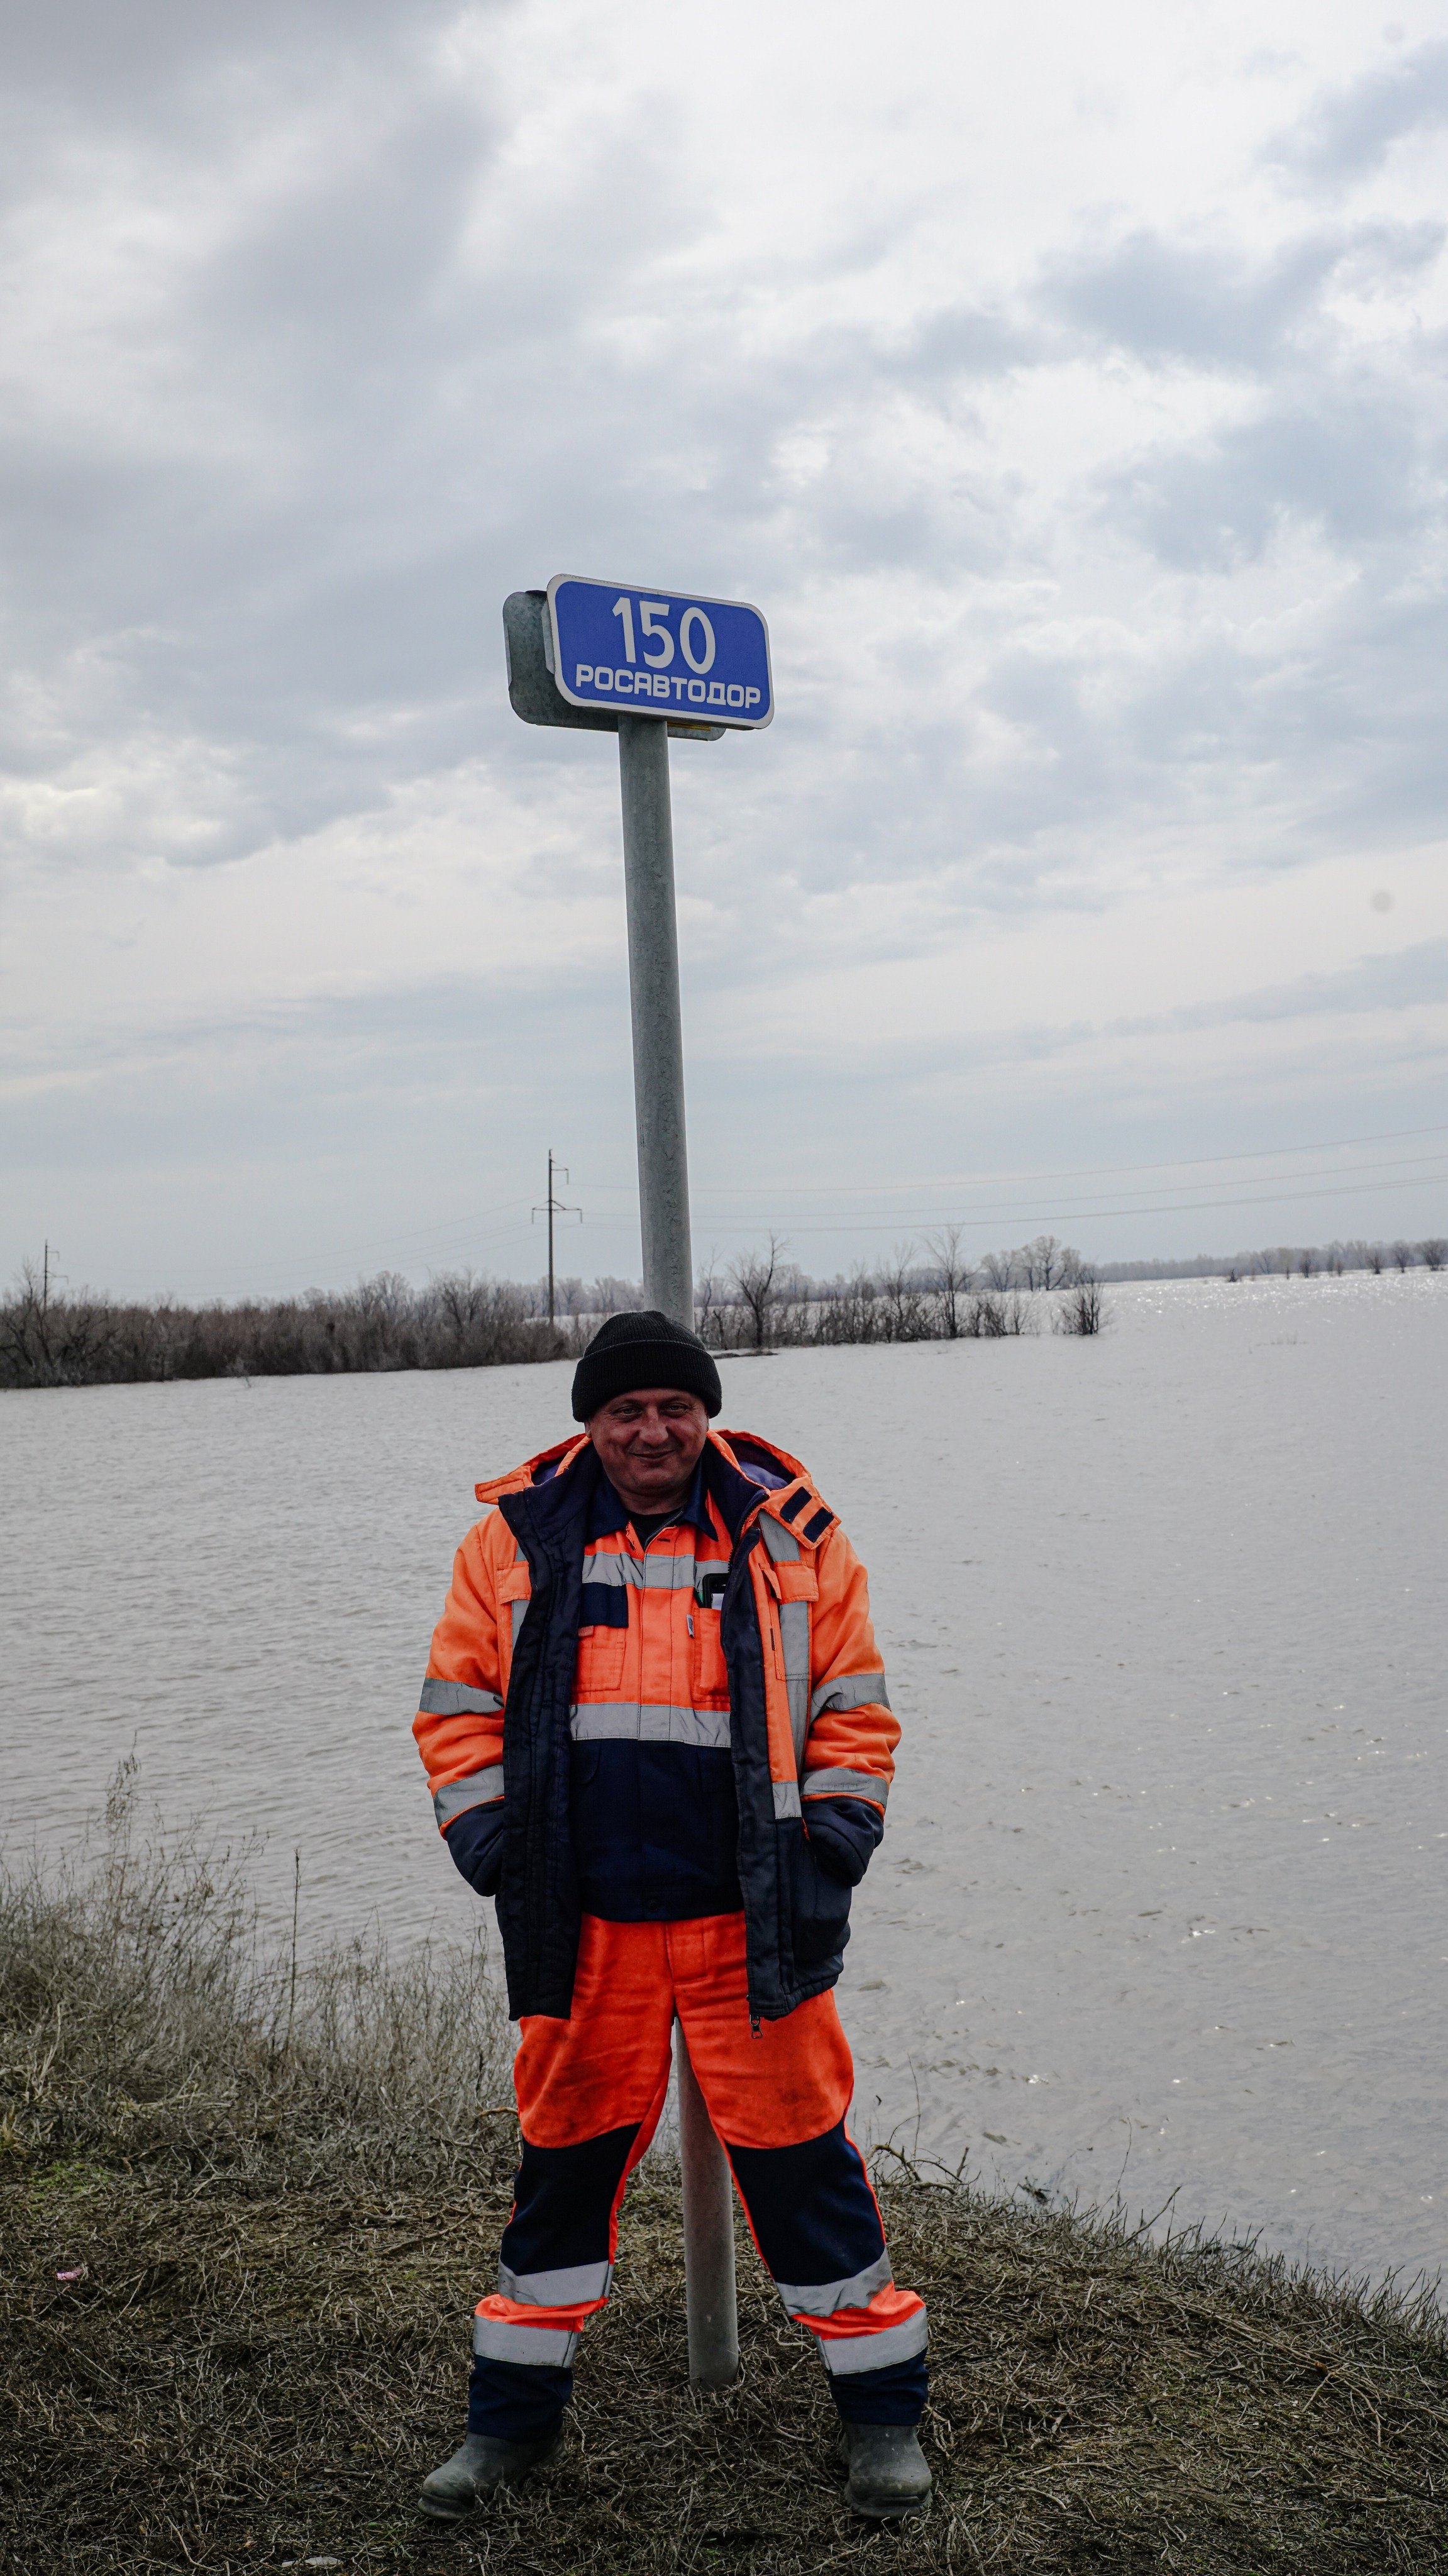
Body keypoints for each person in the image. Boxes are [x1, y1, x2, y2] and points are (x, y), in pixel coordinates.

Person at [411, 1308, 930, 2523]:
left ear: (707, 1415)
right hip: (584, 1930)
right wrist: (490, 1843)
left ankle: (886, 2426)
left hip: (751, 1924)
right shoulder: (513, 1539)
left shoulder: (793, 1535)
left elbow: (856, 1706)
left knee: (809, 2175)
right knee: (562, 2176)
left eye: (675, 1409)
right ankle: (508, 2430)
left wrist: (839, 1841)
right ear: (589, 1424)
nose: (654, 1431)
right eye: (627, 1412)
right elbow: (454, 1705)